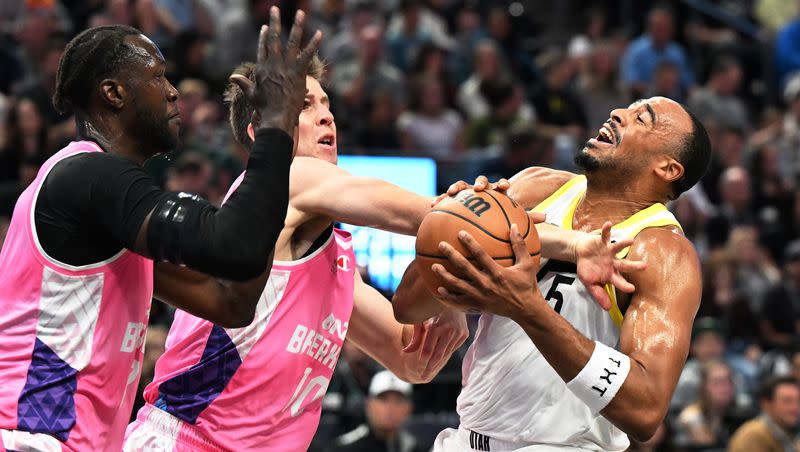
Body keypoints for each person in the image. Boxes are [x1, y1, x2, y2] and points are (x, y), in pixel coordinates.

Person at [123, 47, 641, 452]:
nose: (326, 117)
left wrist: (445, 295)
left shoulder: (332, 260)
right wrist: (575, 243)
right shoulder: (286, 178)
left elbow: (413, 361)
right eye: (305, 107)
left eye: (327, 104)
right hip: (187, 437)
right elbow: (443, 219)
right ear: (264, 137)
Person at [0, 9, 321, 451]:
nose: (173, 92)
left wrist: (276, 164)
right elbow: (238, 248)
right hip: (31, 439)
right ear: (113, 93)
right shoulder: (88, 176)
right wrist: (275, 131)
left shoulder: (109, 218)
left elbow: (231, 301)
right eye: (157, 77)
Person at [394, 96, 712, 451]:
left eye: (642, 119)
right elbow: (407, 306)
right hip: (464, 439)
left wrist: (529, 310)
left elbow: (646, 410)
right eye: (627, 108)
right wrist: (453, 228)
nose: (617, 113)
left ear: (668, 169)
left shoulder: (662, 250)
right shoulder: (537, 186)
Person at [326, 369, 426, 452]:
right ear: (369, 404)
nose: (390, 407)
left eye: (398, 401)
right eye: (383, 399)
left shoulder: (413, 447)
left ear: (408, 408)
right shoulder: (346, 448)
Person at [728, 376, 800, 452]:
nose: (795, 408)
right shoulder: (753, 436)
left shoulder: (785, 431)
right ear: (766, 404)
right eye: (787, 401)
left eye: (798, 401)